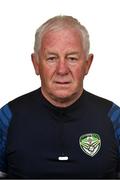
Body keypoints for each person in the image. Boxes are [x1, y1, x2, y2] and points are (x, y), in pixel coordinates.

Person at [0, 15, 120, 179]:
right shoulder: (7, 118)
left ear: (87, 63)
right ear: (36, 63)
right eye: (52, 58)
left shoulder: (114, 118)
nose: (62, 70)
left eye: (72, 58)